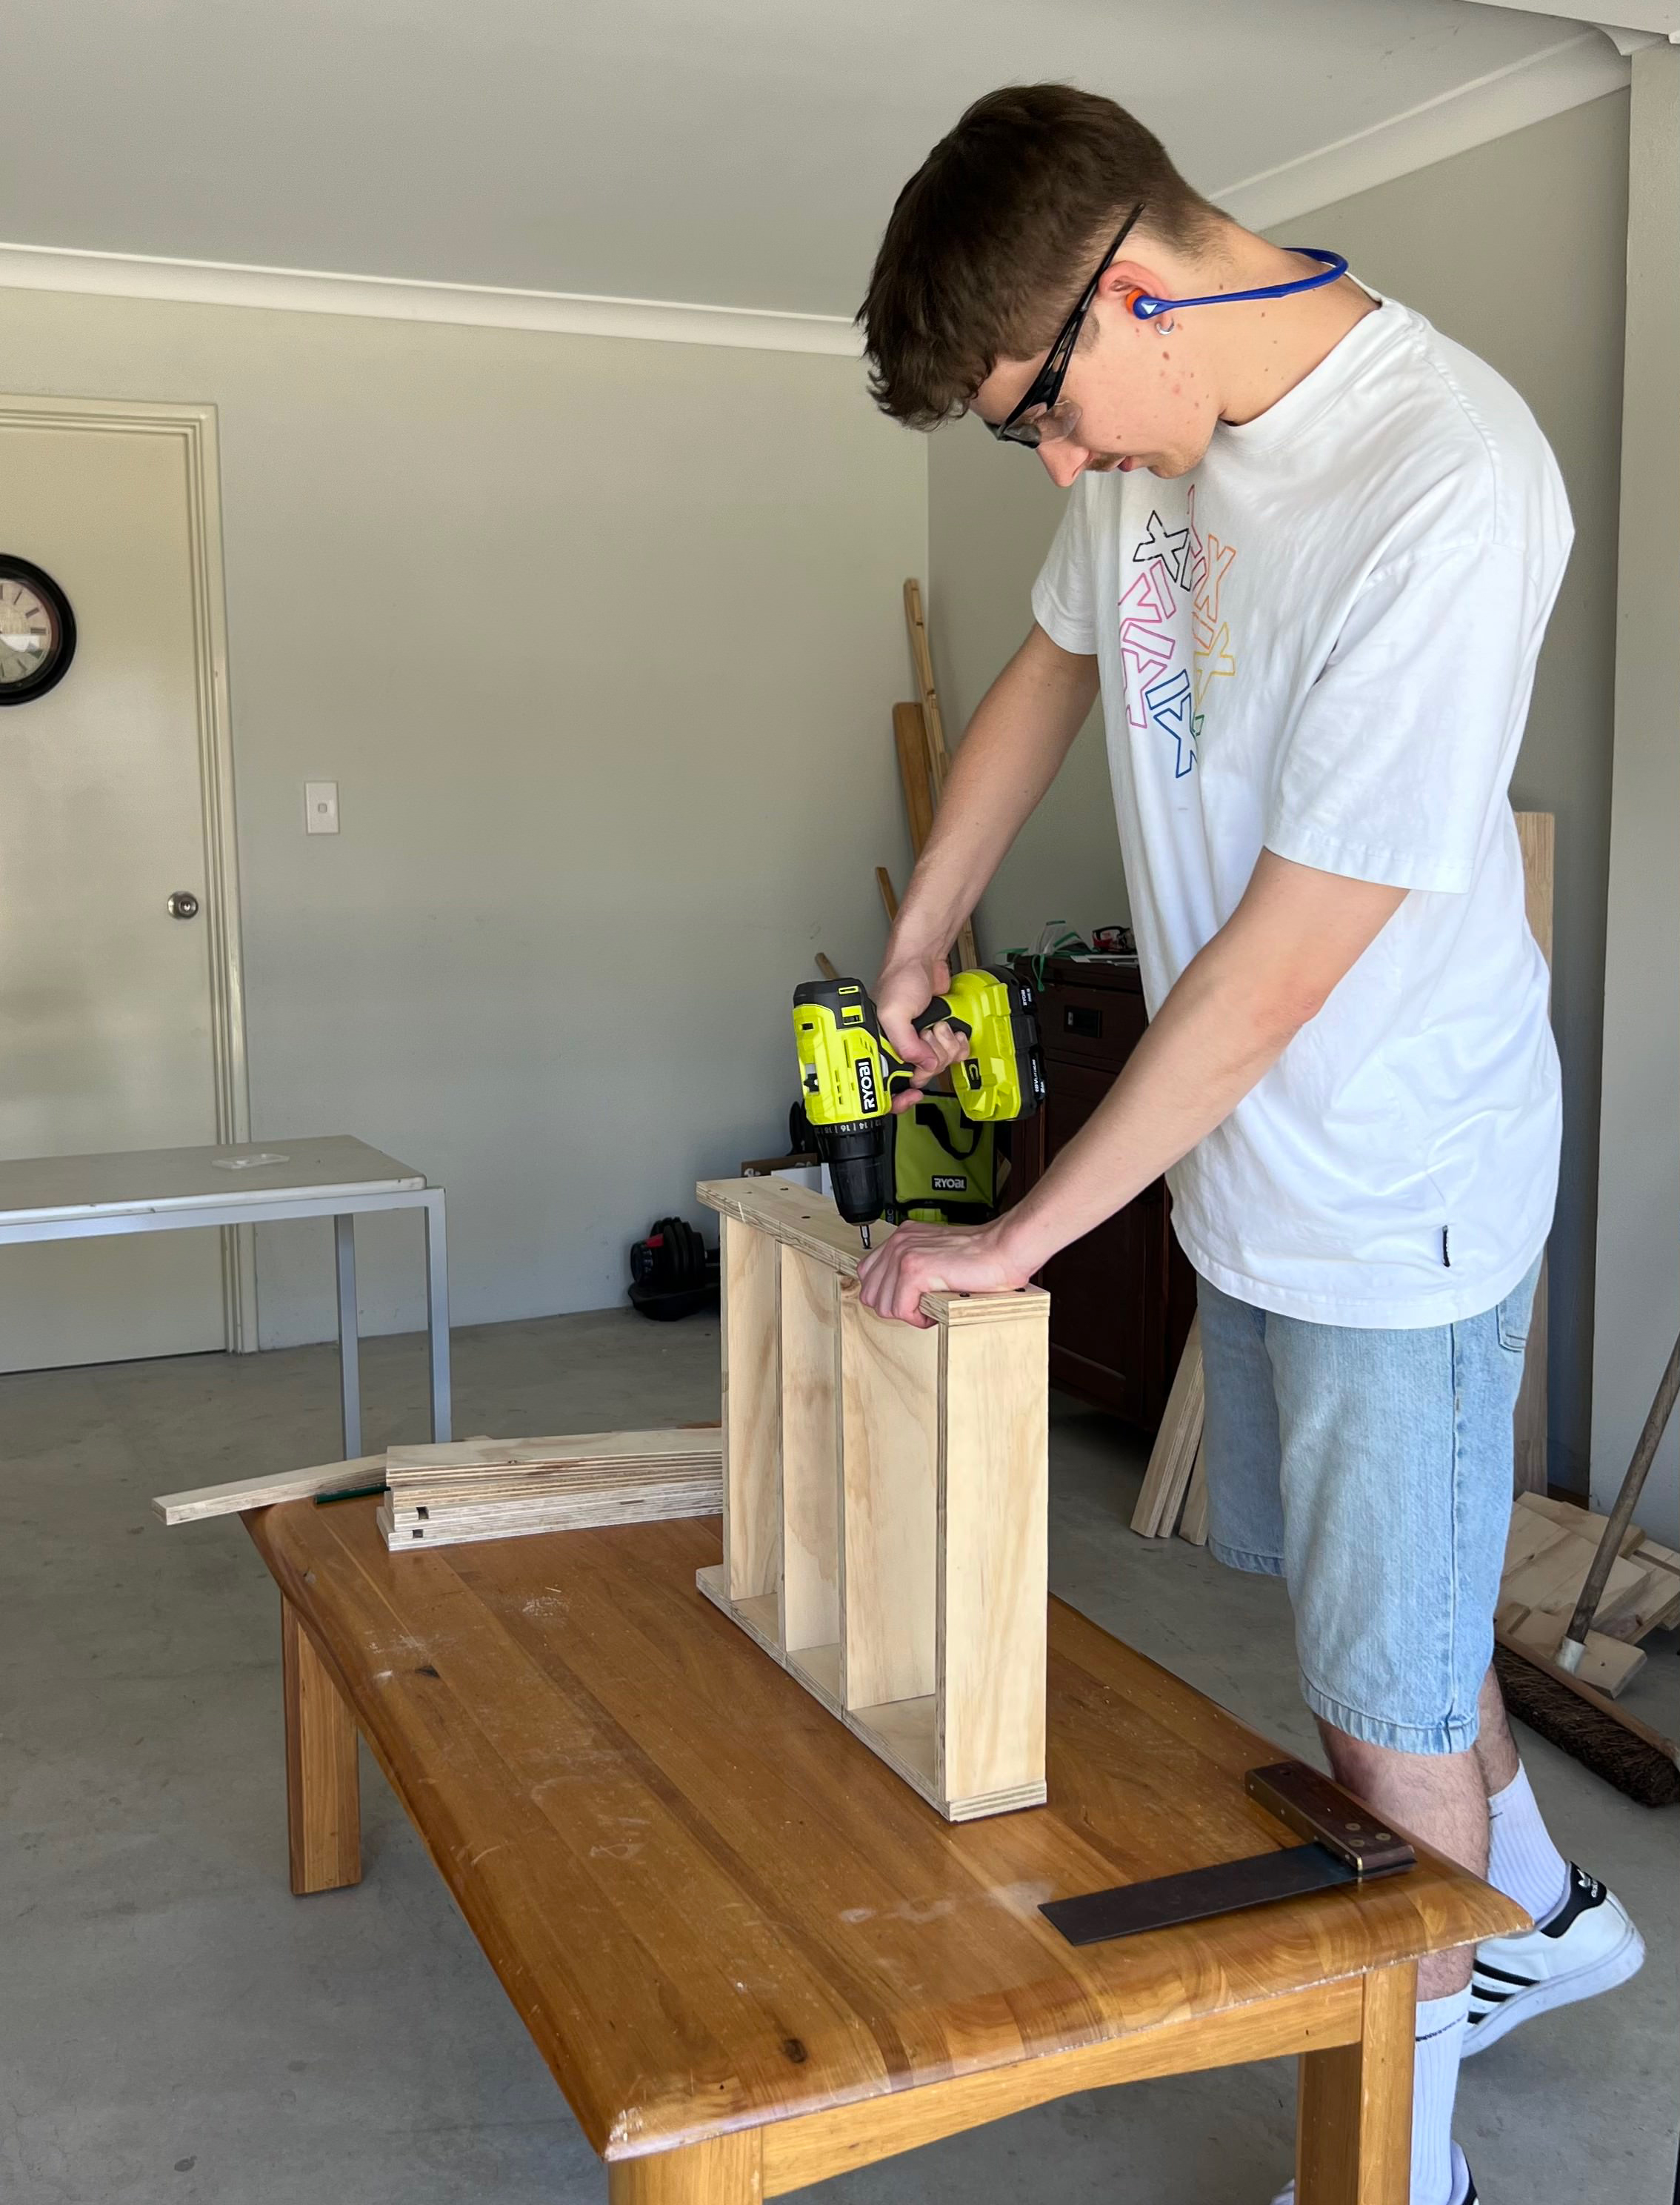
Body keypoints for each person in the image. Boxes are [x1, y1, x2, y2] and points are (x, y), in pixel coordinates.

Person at [852, 84, 1643, 2205]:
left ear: (1137, 288)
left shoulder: (1446, 480)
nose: (1059, 462)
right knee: (1390, 1633)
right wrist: (927, 923)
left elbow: (1287, 959)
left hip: (1396, 1183)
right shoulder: (1144, 438)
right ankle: (1556, 1929)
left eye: (1046, 409)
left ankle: (1405, 2168)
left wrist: (1018, 1237)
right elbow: (1045, 664)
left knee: (1376, 1729)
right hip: (1250, 1166)